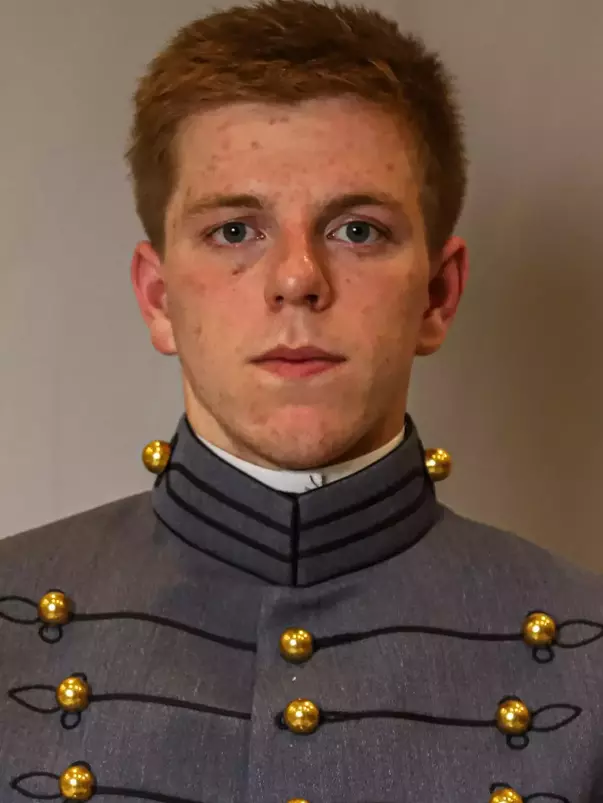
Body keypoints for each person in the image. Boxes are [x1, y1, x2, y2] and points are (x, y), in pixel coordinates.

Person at [1, 1, 602, 801]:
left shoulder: (587, 654)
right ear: (157, 298)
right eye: (234, 231)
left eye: (356, 230)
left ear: (436, 295)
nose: (296, 278)